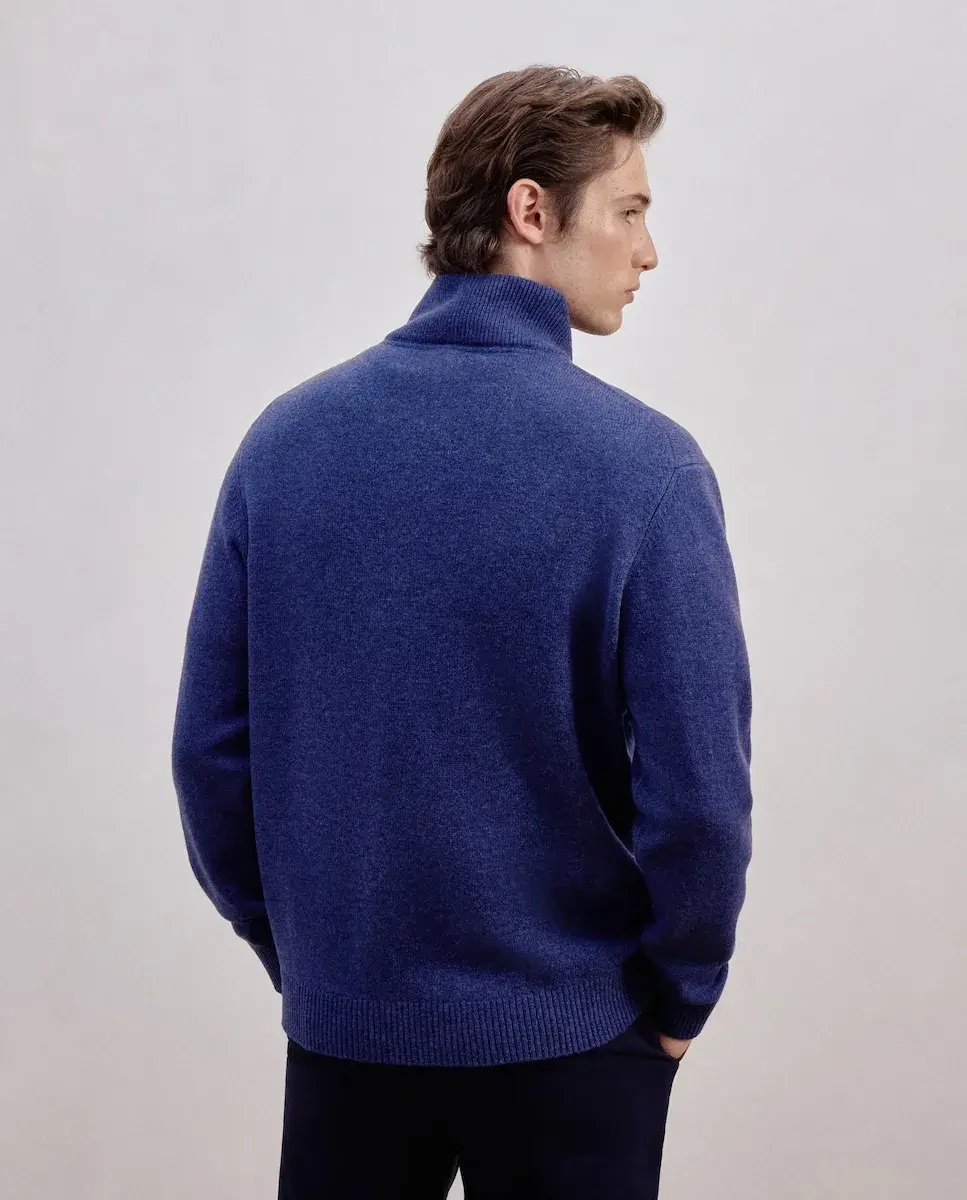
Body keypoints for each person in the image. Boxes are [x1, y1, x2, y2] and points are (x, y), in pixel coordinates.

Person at [171, 63, 754, 1199]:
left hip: (346, 1032)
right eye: (630, 210)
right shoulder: (645, 469)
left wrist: (311, 961)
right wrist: (682, 995)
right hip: (576, 1044)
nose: (647, 251)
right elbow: (699, 799)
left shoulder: (285, 445)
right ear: (532, 210)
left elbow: (211, 757)